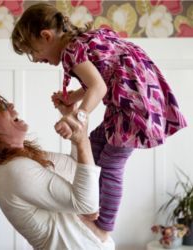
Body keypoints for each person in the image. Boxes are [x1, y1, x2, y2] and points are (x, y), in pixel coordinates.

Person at [11, 2, 187, 235]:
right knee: (93, 147)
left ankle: (103, 225)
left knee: (112, 163)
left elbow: (98, 87)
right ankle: (91, 207)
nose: (35, 59)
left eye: (33, 52)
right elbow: (102, 75)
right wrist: (73, 97)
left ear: (46, 36)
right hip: (132, 100)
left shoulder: (72, 52)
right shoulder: (84, 40)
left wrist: (77, 117)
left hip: (133, 105)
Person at [0, 91, 115, 250]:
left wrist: (71, 116)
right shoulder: (12, 170)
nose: (10, 105)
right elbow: (87, 204)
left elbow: (73, 166)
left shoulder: (20, 160)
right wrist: (81, 138)